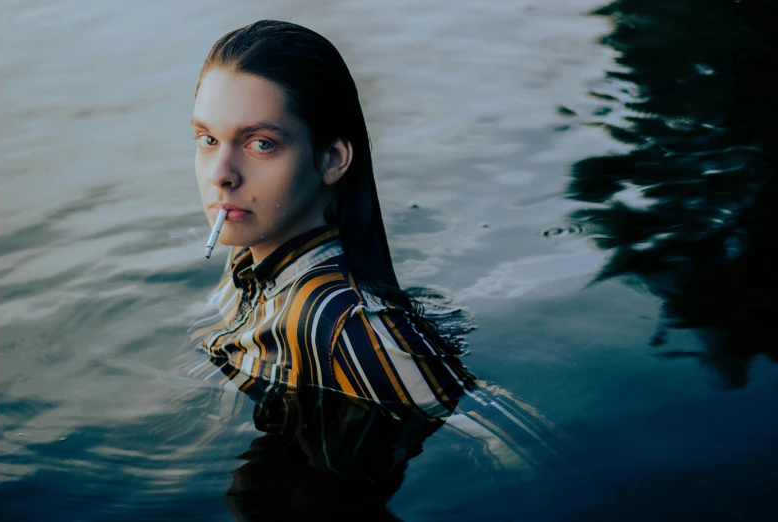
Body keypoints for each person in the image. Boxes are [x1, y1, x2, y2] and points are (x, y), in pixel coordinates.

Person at [185, 20, 563, 491]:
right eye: (207, 140)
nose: (221, 173)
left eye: (261, 144)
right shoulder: (248, 254)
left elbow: (522, 441)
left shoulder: (342, 321)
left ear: (332, 159)